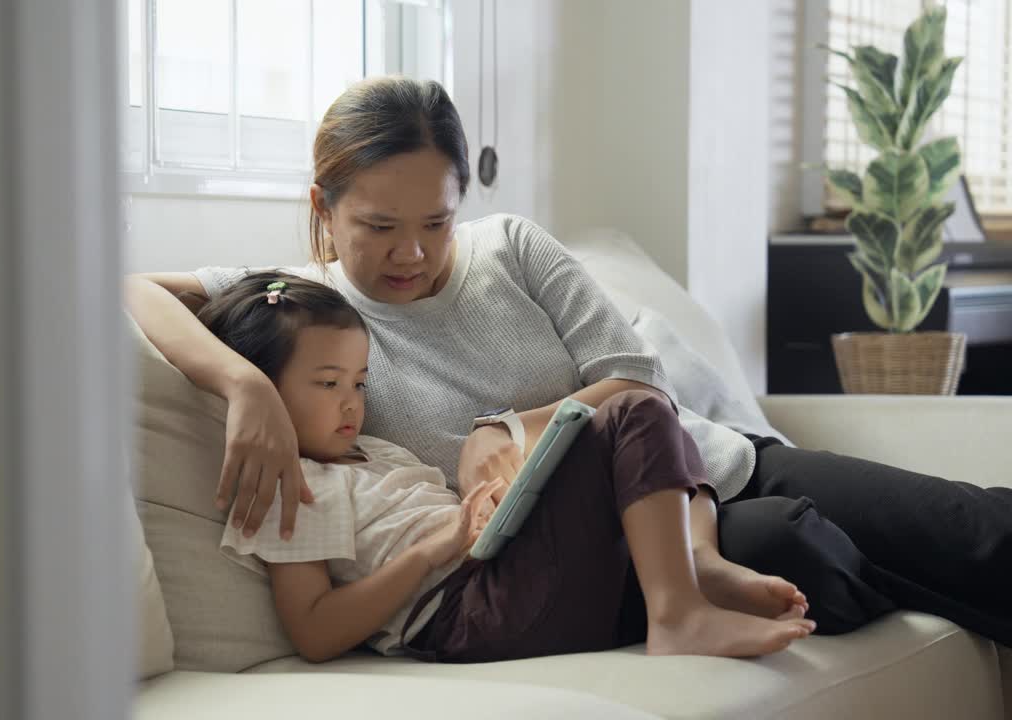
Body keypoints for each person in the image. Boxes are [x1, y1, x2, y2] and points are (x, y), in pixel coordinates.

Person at [125, 76, 1012, 646]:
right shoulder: (304, 314)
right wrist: (242, 384)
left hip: (719, 465)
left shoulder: (508, 247)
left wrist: (506, 427)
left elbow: (636, 379)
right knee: (797, 552)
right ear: (324, 207)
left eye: (434, 222)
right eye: (378, 228)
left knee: (972, 532)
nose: (412, 254)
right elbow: (126, 287)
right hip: (613, 550)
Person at [199, 272, 815, 661]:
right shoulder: (295, 486)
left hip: (496, 575)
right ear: (266, 390)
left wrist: (495, 506)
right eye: (328, 383)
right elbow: (312, 631)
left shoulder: (374, 452)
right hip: (461, 614)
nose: (351, 403)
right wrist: (437, 549)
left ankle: (693, 573)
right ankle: (680, 613)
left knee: (646, 414)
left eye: (359, 382)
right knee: (629, 410)